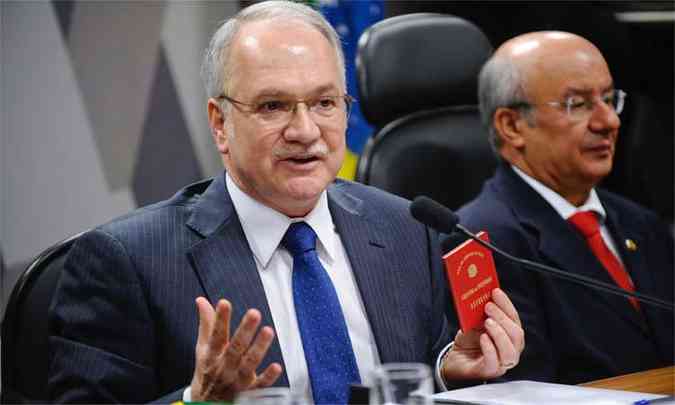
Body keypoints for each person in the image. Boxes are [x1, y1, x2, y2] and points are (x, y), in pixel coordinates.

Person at [48, 2, 524, 403]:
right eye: (273, 106)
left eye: (324, 103)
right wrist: (199, 402)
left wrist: (449, 370)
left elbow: (420, 363)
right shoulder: (127, 261)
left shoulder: (404, 226)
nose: (304, 131)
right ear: (220, 124)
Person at [456, 31, 673, 385]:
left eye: (608, 99)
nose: (610, 121)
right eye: (579, 104)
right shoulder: (484, 241)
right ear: (512, 126)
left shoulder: (641, 224)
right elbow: (526, 389)